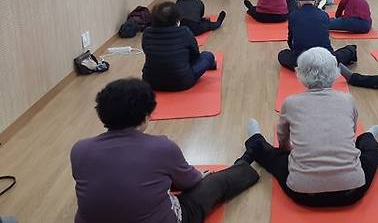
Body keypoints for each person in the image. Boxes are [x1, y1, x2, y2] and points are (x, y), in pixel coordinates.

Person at [70, 78, 259, 223]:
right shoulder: (161, 147)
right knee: (216, 181)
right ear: (145, 116)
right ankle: (247, 163)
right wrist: (200, 176)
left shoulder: (79, 149)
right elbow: (189, 182)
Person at [237, 47, 378, 207]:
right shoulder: (348, 99)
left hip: (304, 194)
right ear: (335, 72)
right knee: (372, 151)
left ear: (300, 74)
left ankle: (255, 139)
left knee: (272, 156)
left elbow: (283, 137)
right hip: (351, 192)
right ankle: (368, 137)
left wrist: (285, 151)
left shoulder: (291, 102)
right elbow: (352, 132)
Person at [142, 2, 217, 91]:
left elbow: (147, 52)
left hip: (151, 82)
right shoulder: (184, 31)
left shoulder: (147, 33)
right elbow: (195, 54)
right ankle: (210, 65)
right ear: (177, 18)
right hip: (182, 82)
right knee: (208, 55)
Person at [278, 0, 357, 70]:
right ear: (316, 2)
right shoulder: (324, 15)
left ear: (298, 2)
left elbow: (290, 40)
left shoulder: (293, 15)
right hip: (325, 58)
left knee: (282, 54)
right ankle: (350, 50)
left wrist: (295, 51)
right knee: (348, 51)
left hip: (302, 60)